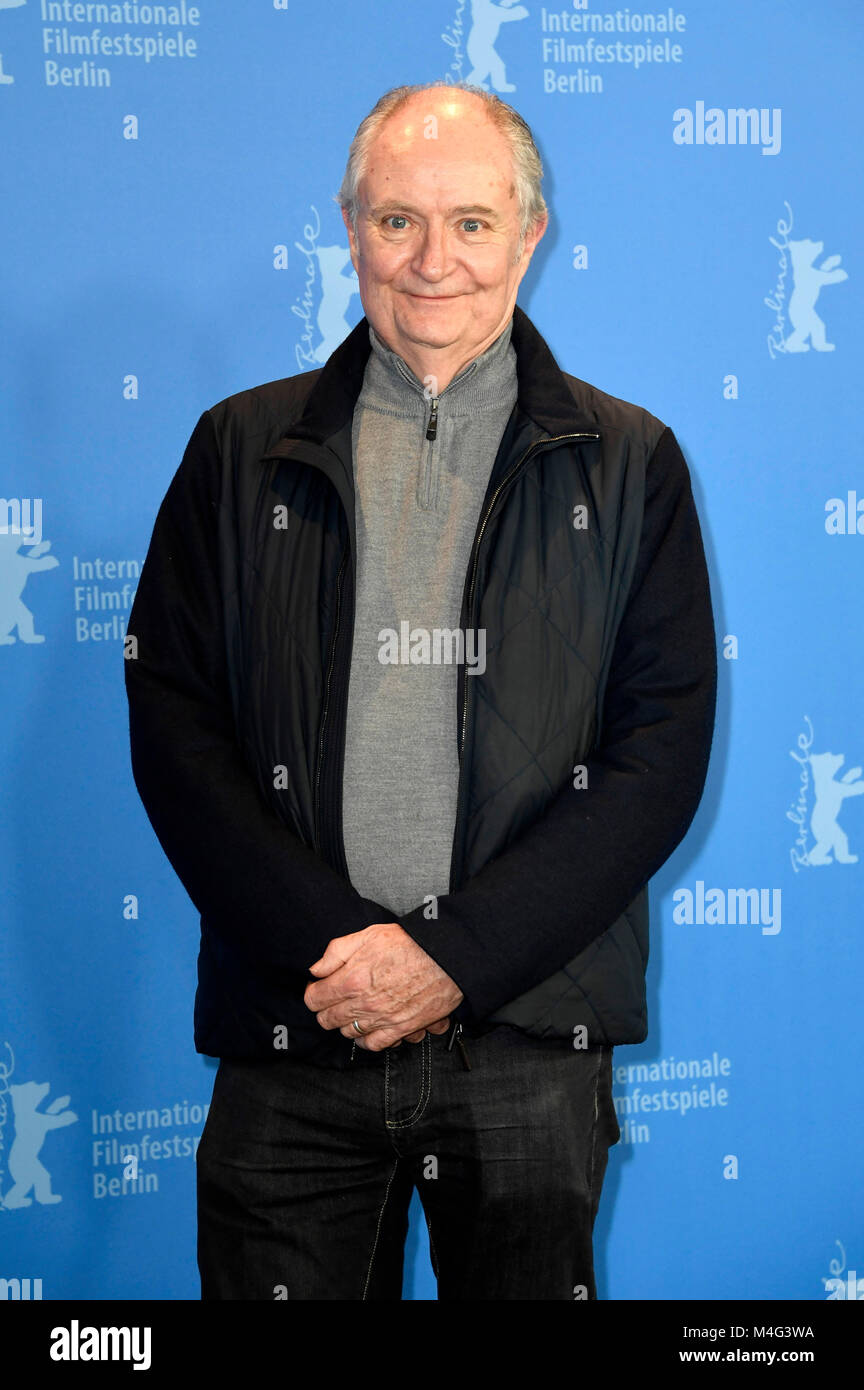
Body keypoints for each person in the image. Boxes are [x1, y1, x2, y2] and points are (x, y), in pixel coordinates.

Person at [125, 80, 717, 1301]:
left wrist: (454, 957)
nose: (432, 260)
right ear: (350, 229)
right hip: (300, 1022)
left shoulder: (632, 461)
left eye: (471, 222)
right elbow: (175, 726)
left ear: (529, 232)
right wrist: (336, 952)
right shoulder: (238, 450)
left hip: (526, 1042)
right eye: (397, 221)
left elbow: (659, 753)